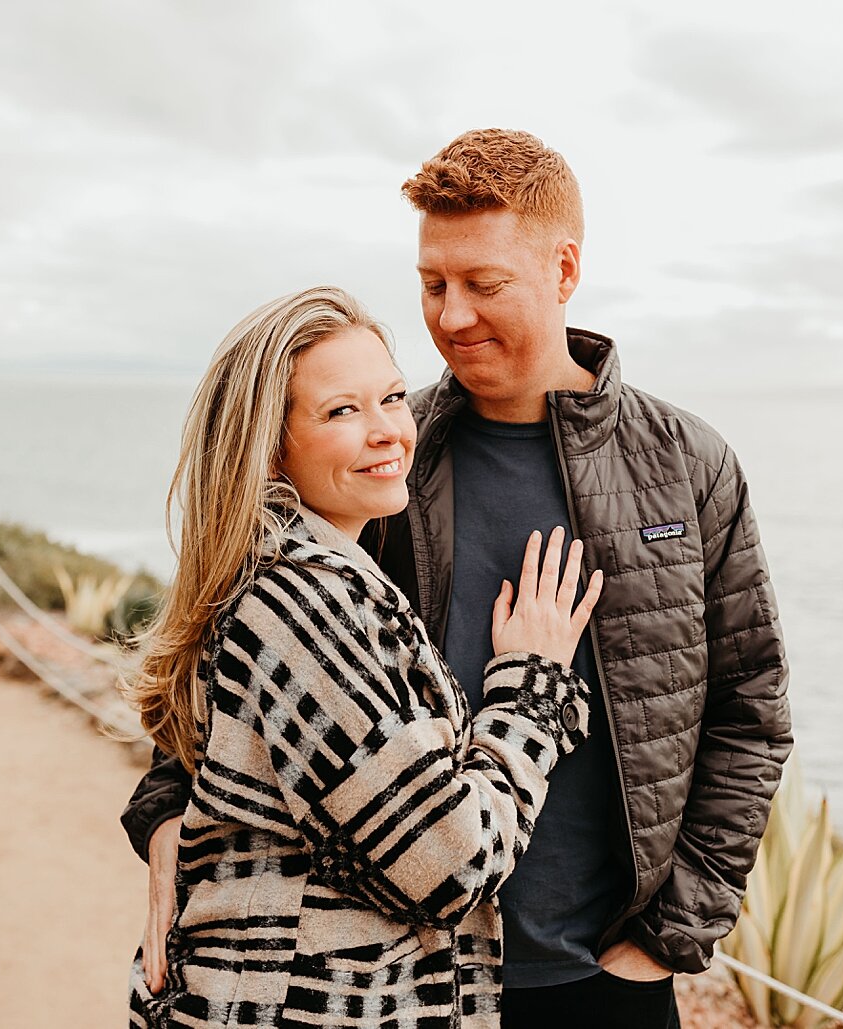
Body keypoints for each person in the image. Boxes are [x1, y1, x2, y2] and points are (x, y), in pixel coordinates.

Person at [124, 130, 794, 1029]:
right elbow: (245, 635)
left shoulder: (688, 464)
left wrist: (670, 938)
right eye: (432, 284)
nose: (450, 316)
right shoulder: (387, 462)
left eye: (483, 284)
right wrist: (169, 809)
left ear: (563, 270)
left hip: (607, 978)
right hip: (405, 983)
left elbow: (750, 706)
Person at [123, 284, 606, 1028]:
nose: (388, 430)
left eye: (389, 397)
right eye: (341, 410)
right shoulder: (303, 605)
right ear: (269, 444)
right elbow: (447, 864)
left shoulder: (306, 568)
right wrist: (529, 692)